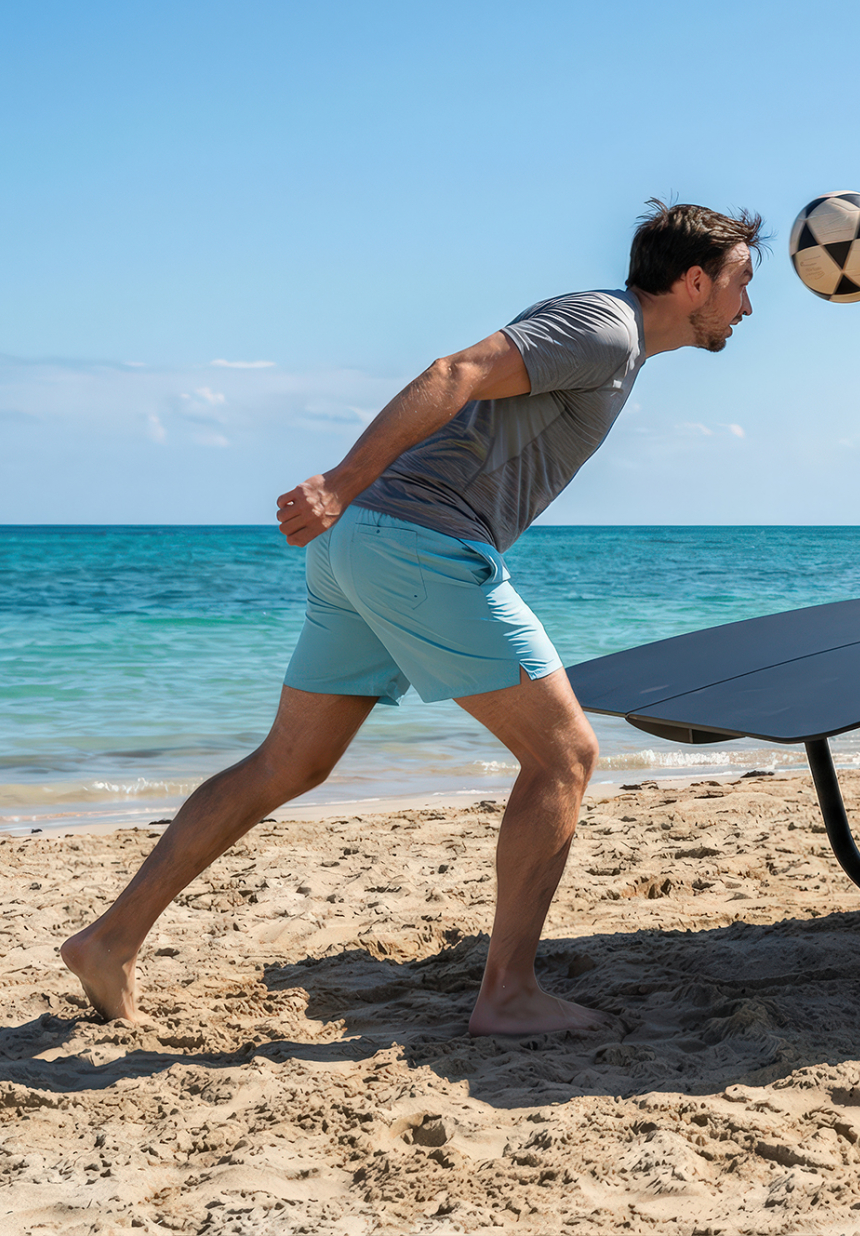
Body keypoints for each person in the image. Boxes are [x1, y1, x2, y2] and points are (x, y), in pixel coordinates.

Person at [62, 200, 765, 1034]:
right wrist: (339, 481)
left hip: (369, 545)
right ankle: (506, 993)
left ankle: (110, 939)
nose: (748, 306)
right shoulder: (605, 327)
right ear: (694, 281)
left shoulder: (618, 343)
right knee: (565, 757)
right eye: (742, 282)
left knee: (288, 763)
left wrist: (353, 502)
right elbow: (456, 369)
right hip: (414, 541)